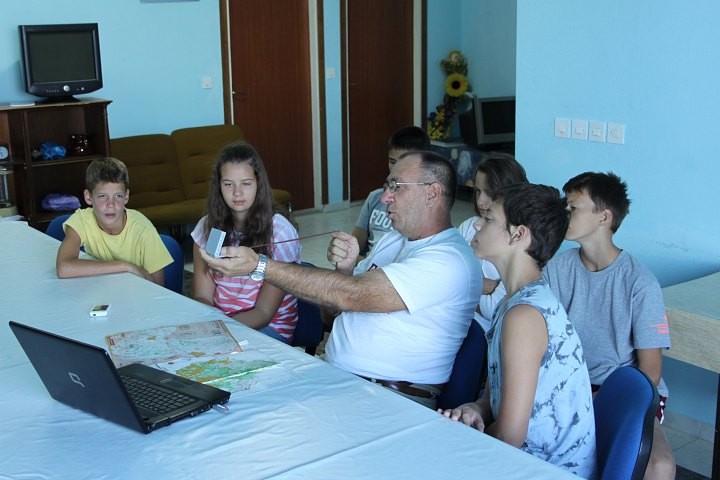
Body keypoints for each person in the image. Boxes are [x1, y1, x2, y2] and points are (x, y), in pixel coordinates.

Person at [200, 151, 483, 409]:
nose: (385, 197)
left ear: (432, 193)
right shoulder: (393, 240)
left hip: (390, 397)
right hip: (339, 379)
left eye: (396, 186)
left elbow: (352, 295)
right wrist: (345, 273)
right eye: (387, 186)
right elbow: (334, 311)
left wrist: (260, 265)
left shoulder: (449, 260)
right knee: (223, 399)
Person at [441, 183, 597, 478]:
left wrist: (460, 446)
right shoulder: (513, 302)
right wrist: (476, 410)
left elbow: (510, 435)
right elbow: (494, 399)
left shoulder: (524, 315)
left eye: (489, 219)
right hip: (521, 459)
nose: (477, 224)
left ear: (518, 234)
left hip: (545, 469)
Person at [542, 171, 675, 479]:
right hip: (570, 386)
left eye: (573, 208)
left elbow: (651, 372)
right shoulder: (557, 269)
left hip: (623, 390)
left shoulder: (640, 283)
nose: (564, 213)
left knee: (660, 465)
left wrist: (597, 403)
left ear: (604, 217)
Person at [191, 141, 300, 344]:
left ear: (259, 184)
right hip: (222, 326)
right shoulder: (208, 228)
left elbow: (264, 312)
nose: (237, 192)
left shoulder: (279, 231)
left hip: (269, 329)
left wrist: (221, 333)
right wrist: (211, 330)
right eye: (228, 184)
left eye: (246, 183)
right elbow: (203, 297)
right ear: (218, 186)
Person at [56, 157, 172, 286]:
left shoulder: (143, 230)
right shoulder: (83, 219)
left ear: (126, 196)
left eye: (118, 196)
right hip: (105, 288)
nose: (111, 204)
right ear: (88, 197)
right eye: (102, 196)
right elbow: (64, 268)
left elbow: (158, 287)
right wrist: (125, 266)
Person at [456, 153, 528, 331]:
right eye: (478, 191)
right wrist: (487, 286)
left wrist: (462, 286)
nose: (481, 201)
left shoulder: (520, 240)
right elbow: (444, 279)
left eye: (489, 192)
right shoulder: (468, 227)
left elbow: (491, 309)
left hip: (484, 333)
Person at [352, 125, 430, 257]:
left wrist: (360, 262)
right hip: (366, 266)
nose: (396, 169)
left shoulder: (426, 207)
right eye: (392, 162)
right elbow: (354, 246)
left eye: (404, 163)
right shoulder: (375, 197)